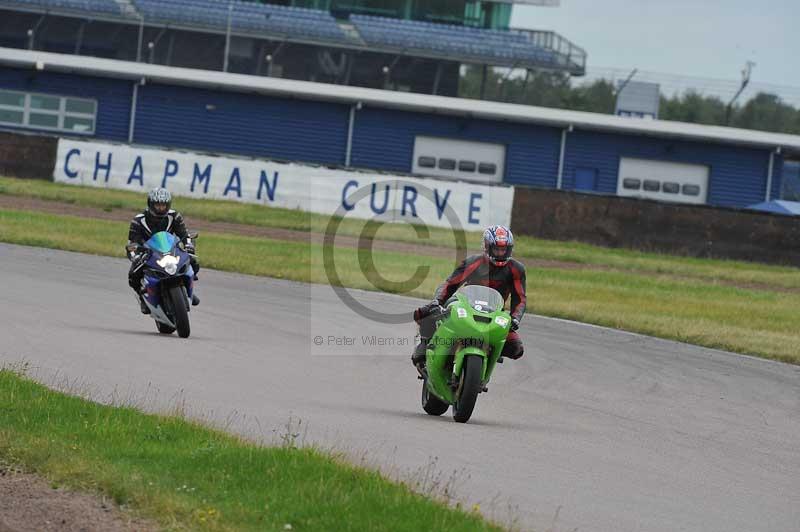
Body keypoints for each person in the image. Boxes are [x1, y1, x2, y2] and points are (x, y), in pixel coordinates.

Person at [412, 225, 526, 370]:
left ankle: (489, 354)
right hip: (466, 305)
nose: (500, 253)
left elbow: (520, 298)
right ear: (487, 247)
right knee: (427, 312)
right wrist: (437, 302)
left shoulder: (517, 269)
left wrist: (515, 318)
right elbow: (450, 284)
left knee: (516, 348)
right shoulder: (474, 262)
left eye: (504, 249)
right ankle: (424, 343)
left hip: (494, 312)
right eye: (496, 249)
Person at [126, 187, 200, 314]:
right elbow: (132, 243)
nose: (161, 208)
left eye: (164, 205)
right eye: (158, 205)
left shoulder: (174, 216)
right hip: (148, 253)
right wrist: (135, 255)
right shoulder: (138, 221)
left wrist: (188, 245)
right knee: (133, 275)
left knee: (193, 260)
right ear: (150, 204)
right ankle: (142, 298)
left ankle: (190, 289)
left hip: (171, 250)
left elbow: (184, 234)